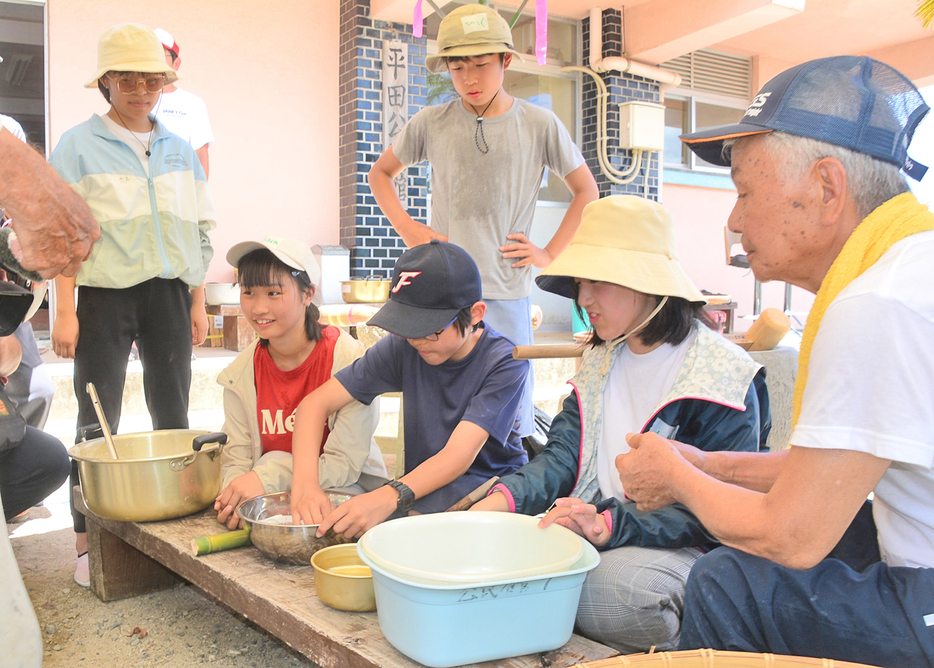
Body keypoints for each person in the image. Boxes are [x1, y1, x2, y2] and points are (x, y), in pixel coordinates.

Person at [616, 56, 934, 668]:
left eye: (743, 191)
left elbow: (791, 533)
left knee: (726, 583)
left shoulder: (875, 306)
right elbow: (833, 465)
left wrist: (680, 479)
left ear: (826, 188)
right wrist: (712, 465)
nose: (733, 221)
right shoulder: (908, 269)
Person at [470, 195, 770, 652]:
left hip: (681, 548)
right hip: (596, 526)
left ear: (648, 284)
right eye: (579, 283)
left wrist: (608, 525)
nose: (583, 298)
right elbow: (561, 457)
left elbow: (717, 513)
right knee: (499, 550)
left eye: (597, 282)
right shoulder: (600, 358)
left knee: (624, 595)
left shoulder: (721, 375)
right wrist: (499, 502)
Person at [368, 3, 599, 441]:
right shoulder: (431, 122)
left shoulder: (538, 124)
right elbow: (380, 174)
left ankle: (508, 497)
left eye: (480, 65)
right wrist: (410, 230)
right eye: (457, 68)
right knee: (439, 411)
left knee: (508, 420)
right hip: (438, 295)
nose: (469, 79)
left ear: (506, 61)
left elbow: (587, 191)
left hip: (505, 292)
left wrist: (548, 253)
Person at [48, 23, 215, 587]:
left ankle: (176, 527)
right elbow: (64, 232)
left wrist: (196, 300)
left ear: (164, 84)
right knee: (98, 416)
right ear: (107, 83)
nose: (141, 89)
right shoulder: (76, 145)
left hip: (168, 292)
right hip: (102, 295)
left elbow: (198, 227)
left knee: (174, 413)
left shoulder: (178, 148)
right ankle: (83, 540)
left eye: (151, 79)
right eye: (127, 79)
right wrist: (65, 309)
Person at [290, 240, 529, 538]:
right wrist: (305, 486)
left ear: (476, 313)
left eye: (431, 330)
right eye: (407, 327)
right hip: (422, 486)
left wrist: (388, 496)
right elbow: (314, 405)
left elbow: (459, 455)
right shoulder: (406, 346)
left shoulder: (505, 361)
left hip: (490, 488)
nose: (416, 341)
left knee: (399, 535)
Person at [213, 236, 387, 529]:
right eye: (248, 292)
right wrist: (236, 498)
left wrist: (265, 474)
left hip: (345, 496)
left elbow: (343, 466)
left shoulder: (349, 361)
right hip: (271, 501)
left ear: (308, 294)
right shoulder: (240, 374)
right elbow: (236, 459)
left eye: (273, 293)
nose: (257, 308)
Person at [153, 28, 213, 178]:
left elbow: (200, 154)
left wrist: (200, 197)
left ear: (176, 63)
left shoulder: (192, 104)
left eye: (161, 54)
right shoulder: (132, 101)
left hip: (178, 194)